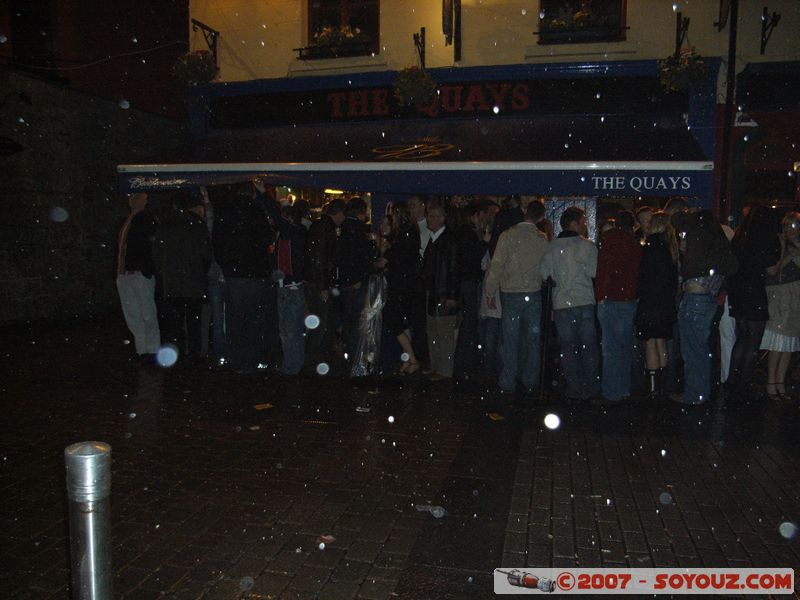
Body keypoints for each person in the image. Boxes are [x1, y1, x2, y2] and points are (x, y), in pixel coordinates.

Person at [672, 210, 738, 405]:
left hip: (696, 298)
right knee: (698, 349)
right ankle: (700, 392)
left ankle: (695, 395)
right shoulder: (715, 245)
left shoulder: (699, 241)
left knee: (693, 350)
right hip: (704, 298)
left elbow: (690, 267)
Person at [485, 201, 549, 395]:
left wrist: (490, 291)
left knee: (510, 339)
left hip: (511, 292)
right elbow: (546, 269)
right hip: (533, 292)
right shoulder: (542, 239)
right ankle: (530, 380)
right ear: (540, 218)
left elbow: (497, 266)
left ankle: (508, 379)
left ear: (524, 212)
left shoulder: (507, 236)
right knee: (532, 339)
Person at [211, 184, 273, 372]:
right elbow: (267, 238)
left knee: (235, 318)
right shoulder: (257, 212)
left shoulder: (225, 213)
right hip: (255, 273)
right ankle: (251, 359)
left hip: (235, 273)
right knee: (254, 318)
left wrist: (227, 266)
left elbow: (217, 242)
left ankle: (237, 358)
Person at [540, 206, 599, 402]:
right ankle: (591, 387)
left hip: (562, 304)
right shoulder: (588, 247)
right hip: (583, 301)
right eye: (583, 222)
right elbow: (593, 272)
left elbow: (545, 274)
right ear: (573, 224)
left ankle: (574, 388)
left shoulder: (552, 247)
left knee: (568, 348)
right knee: (588, 347)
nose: (585, 225)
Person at [725, 205, 781, 399]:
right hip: (755, 291)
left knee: (742, 337)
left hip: (739, 290)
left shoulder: (741, 237)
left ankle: (732, 379)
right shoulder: (766, 238)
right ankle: (744, 382)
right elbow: (772, 269)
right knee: (753, 340)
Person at [152, 191, 212, 367]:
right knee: (194, 321)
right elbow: (206, 254)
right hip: (193, 281)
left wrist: (165, 273)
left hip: (173, 282)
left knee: (176, 322)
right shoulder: (196, 226)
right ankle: (193, 355)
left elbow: (157, 255)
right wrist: (199, 271)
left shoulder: (166, 226)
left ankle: (177, 353)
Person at [257, 183, 309, 376]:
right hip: (287, 286)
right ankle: (292, 364)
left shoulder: (292, 232)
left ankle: (292, 367)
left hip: (291, 287)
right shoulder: (290, 235)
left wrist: (263, 194)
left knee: (290, 330)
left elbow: (276, 216)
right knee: (288, 330)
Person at [595, 210, 642, 403]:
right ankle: (623, 389)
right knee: (624, 346)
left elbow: (603, 270)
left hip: (610, 298)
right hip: (628, 299)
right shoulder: (634, 244)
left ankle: (611, 391)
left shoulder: (608, 240)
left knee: (610, 348)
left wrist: (600, 296)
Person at [635, 211, 679, 400]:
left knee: (650, 342)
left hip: (650, 301)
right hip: (666, 302)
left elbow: (644, 276)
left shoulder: (651, 245)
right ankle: (662, 385)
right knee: (661, 341)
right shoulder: (670, 247)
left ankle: (653, 388)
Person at [116, 192, 161, 362]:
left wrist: (146, 268)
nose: (134, 200)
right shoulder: (126, 221)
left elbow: (151, 246)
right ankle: (142, 349)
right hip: (124, 273)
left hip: (139, 273)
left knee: (147, 312)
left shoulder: (147, 219)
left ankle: (152, 349)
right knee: (133, 313)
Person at [761, 211, 800, 401]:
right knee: (777, 341)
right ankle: (771, 382)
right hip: (779, 296)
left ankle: (780, 382)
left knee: (789, 343)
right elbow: (773, 270)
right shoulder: (776, 243)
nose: (789, 230)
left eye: (793, 226)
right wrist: (785, 249)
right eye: (787, 225)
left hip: (794, 298)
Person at [382, 201, 424, 374]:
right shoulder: (411, 231)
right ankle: (409, 357)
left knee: (394, 321)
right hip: (407, 284)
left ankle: (412, 358)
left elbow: (398, 256)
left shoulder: (404, 233)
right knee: (403, 322)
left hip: (401, 284)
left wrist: (387, 250)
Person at [304, 198, 346, 370]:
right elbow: (320, 258)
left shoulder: (318, 225)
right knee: (321, 324)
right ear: (339, 214)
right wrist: (323, 286)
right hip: (318, 282)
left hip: (314, 281)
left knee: (319, 323)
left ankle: (314, 359)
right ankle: (315, 360)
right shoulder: (327, 229)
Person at [453, 201, 492, 384]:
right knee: (469, 326)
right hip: (469, 283)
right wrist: (484, 243)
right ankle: (464, 367)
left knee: (468, 325)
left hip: (467, 282)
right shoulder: (469, 234)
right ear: (475, 215)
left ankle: (464, 367)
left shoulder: (465, 233)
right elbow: (471, 259)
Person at [422, 201, 461, 380]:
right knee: (435, 332)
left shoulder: (448, 241)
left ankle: (444, 370)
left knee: (443, 334)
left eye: (436, 216)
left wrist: (451, 296)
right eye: (430, 216)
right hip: (436, 292)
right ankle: (436, 366)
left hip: (442, 293)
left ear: (443, 219)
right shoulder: (436, 239)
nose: (432, 220)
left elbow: (454, 270)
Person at [338, 197, 375, 364]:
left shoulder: (343, 228)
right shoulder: (360, 230)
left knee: (349, 320)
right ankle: (356, 357)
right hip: (357, 281)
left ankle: (350, 354)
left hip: (346, 281)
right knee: (356, 321)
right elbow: (363, 258)